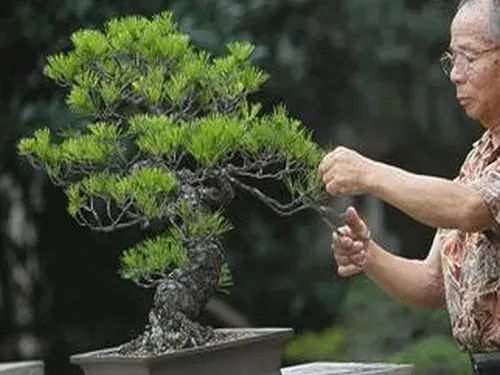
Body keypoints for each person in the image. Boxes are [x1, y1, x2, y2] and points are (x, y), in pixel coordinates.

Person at [317, 0, 500, 374]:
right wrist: (368, 254)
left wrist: (369, 174)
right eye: (452, 59)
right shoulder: (479, 157)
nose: (454, 75)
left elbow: (469, 208)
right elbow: (431, 282)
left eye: (468, 57)